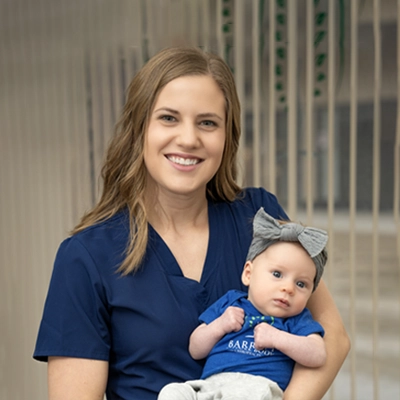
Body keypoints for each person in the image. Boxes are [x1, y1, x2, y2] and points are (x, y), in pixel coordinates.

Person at [33, 46, 350, 400]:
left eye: (207, 122)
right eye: (169, 118)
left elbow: (332, 335)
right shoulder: (86, 257)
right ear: (140, 129)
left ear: (227, 136)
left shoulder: (258, 217)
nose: (188, 139)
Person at [158, 207, 328, 400]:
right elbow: (195, 349)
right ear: (249, 273)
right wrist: (220, 325)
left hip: (258, 389)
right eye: (277, 274)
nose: (288, 288)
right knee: (173, 392)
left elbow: (318, 354)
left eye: (301, 284)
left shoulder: (296, 320)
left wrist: (278, 338)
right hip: (210, 387)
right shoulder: (231, 303)